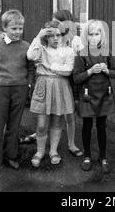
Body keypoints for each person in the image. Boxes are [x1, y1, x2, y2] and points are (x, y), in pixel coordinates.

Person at [19, 10, 83, 157]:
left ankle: (71, 144)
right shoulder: (47, 41)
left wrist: (51, 65)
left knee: (67, 114)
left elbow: (77, 60)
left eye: (58, 23)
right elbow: (33, 54)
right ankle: (39, 137)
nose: (55, 27)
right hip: (50, 79)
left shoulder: (74, 40)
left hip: (70, 79)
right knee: (47, 111)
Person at [0, 9, 34, 180]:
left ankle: (11, 155)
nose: (18, 32)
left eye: (20, 28)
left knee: (15, 125)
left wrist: (28, 84)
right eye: (14, 29)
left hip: (20, 90)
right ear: (5, 28)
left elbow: (31, 68)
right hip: (1, 91)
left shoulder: (27, 47)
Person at [73, 20, 115, 173]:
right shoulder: (81, 54)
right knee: (87, 126)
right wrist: (90, 71)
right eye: (91, 34)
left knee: (101, 127)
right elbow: (76, 78)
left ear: (102, 35)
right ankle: (87, 156)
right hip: (88, 95)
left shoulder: (106, 52)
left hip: (103, 95)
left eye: (97, 34)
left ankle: (103, 157)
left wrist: (107, 71)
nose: (94, 37)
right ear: (86, 36)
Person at [27, 20, 75, 167]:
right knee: (42, 124)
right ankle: (40, 151)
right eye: (51, 35)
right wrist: (38, 36)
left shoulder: (68, 51)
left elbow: (68, 70)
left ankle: (53, 151)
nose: (55, 38)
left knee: (57, 121)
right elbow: (30, 56)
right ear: (46, 37)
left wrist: (49, 66)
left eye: (59, 35)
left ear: (63, 36)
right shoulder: (41, 48)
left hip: (60, 85)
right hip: (43, 85)